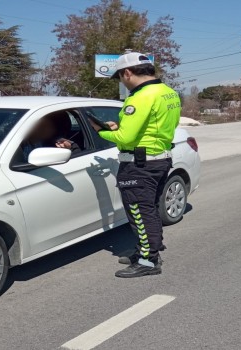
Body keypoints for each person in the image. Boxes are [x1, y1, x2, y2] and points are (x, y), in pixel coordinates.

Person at [90, 52, 181, 278]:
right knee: (149, 208)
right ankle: (147, 249)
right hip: (160, 158)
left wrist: (101, 131)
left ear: (127, 72)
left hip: (139, 164)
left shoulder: (140, 97)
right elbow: (156, 125)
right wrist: (118, 128)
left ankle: (148, 261)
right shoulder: (168, 93)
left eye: (120, 77)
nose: (122, 81)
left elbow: (127, 138)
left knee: (140, 212)